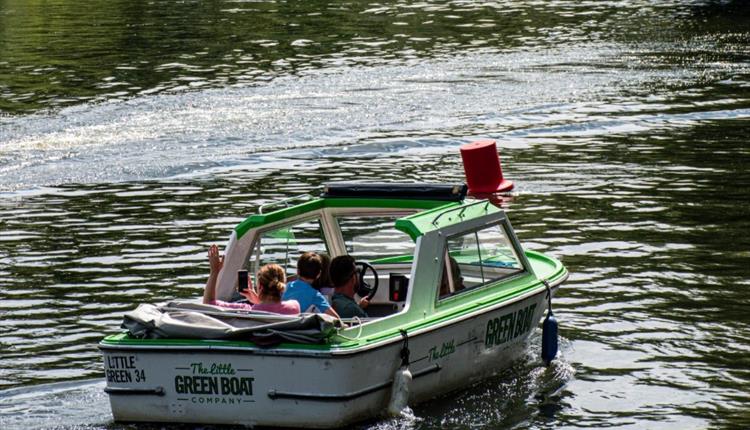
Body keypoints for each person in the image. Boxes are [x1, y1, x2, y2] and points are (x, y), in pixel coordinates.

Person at [202, 245, 300, 315]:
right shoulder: (294, 307)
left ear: (260, 287)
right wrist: (257, 300)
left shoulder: (249, 311)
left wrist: (214, 271)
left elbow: (209, 304)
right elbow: (271, 309)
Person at [282, 252, 339, 317]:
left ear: (298, 271)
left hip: (278, 323)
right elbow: (335, 318)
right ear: (318, 274)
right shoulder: (315, 295)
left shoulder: (286, 287)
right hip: (297, 325)